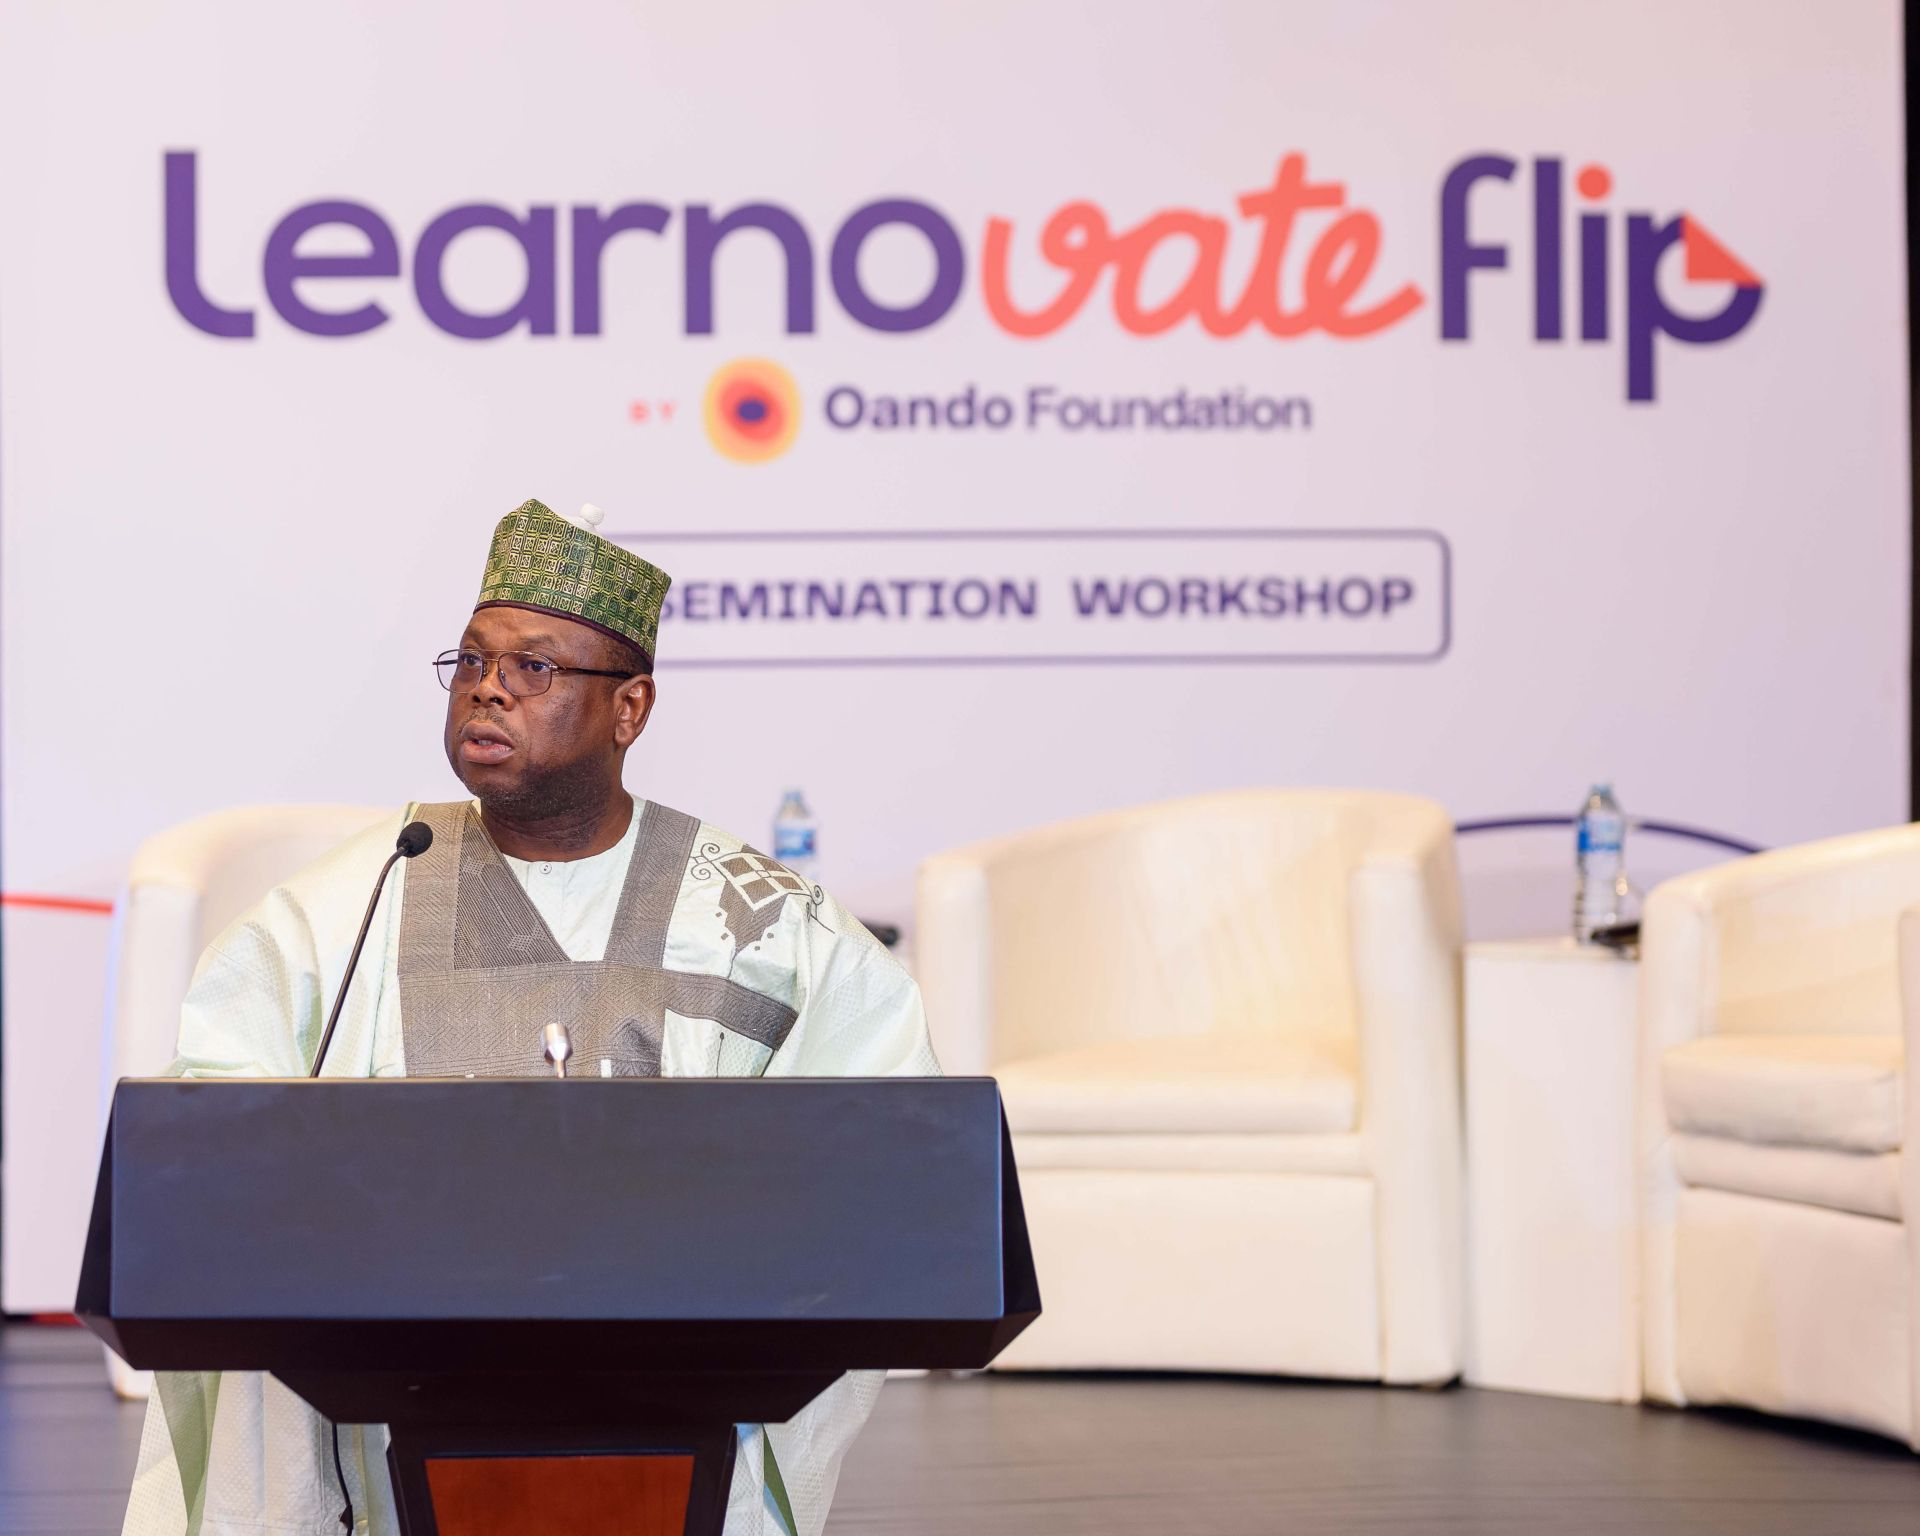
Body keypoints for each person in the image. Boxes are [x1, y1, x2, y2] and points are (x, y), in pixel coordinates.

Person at [119, 498, 939, 1536]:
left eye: (534, 667)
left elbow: (892, 1152)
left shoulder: (763, 921)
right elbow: (213, 1132)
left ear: (630, 708)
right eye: (470, 661)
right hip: (389, 1379)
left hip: (678, 1372)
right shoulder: (356, 899)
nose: (489, 687)